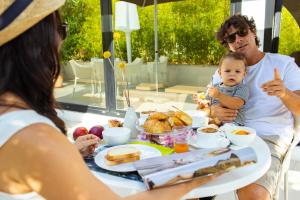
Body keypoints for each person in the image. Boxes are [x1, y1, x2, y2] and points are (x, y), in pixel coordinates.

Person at [0, 1, 218, 199]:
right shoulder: (36, 138)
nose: (61, 41)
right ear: (37, 42)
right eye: (60, 28)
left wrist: (69, 152)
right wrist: (191, 180)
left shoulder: (14, 123)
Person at [212, 14, 300, 200]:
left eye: (242, 32)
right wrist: (214, 111)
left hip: (269, 137)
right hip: (226, 135)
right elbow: (209, 106)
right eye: (231, 38)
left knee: (254, 195)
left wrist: (284, 93)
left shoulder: (283, 64)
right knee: (183, 177)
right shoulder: (224, 69)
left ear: (253, 32)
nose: (238, 40)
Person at [206, 52, 248, 126]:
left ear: (243, 74)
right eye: (227, 71)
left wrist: (218, 95)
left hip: (234, 125)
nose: (232, 74)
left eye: (237, 71)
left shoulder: (242, 88)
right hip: (214, 124)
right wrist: (202, 103)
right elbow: (206, 106)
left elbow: (236, 104)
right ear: (220, 73)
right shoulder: (214, 88)